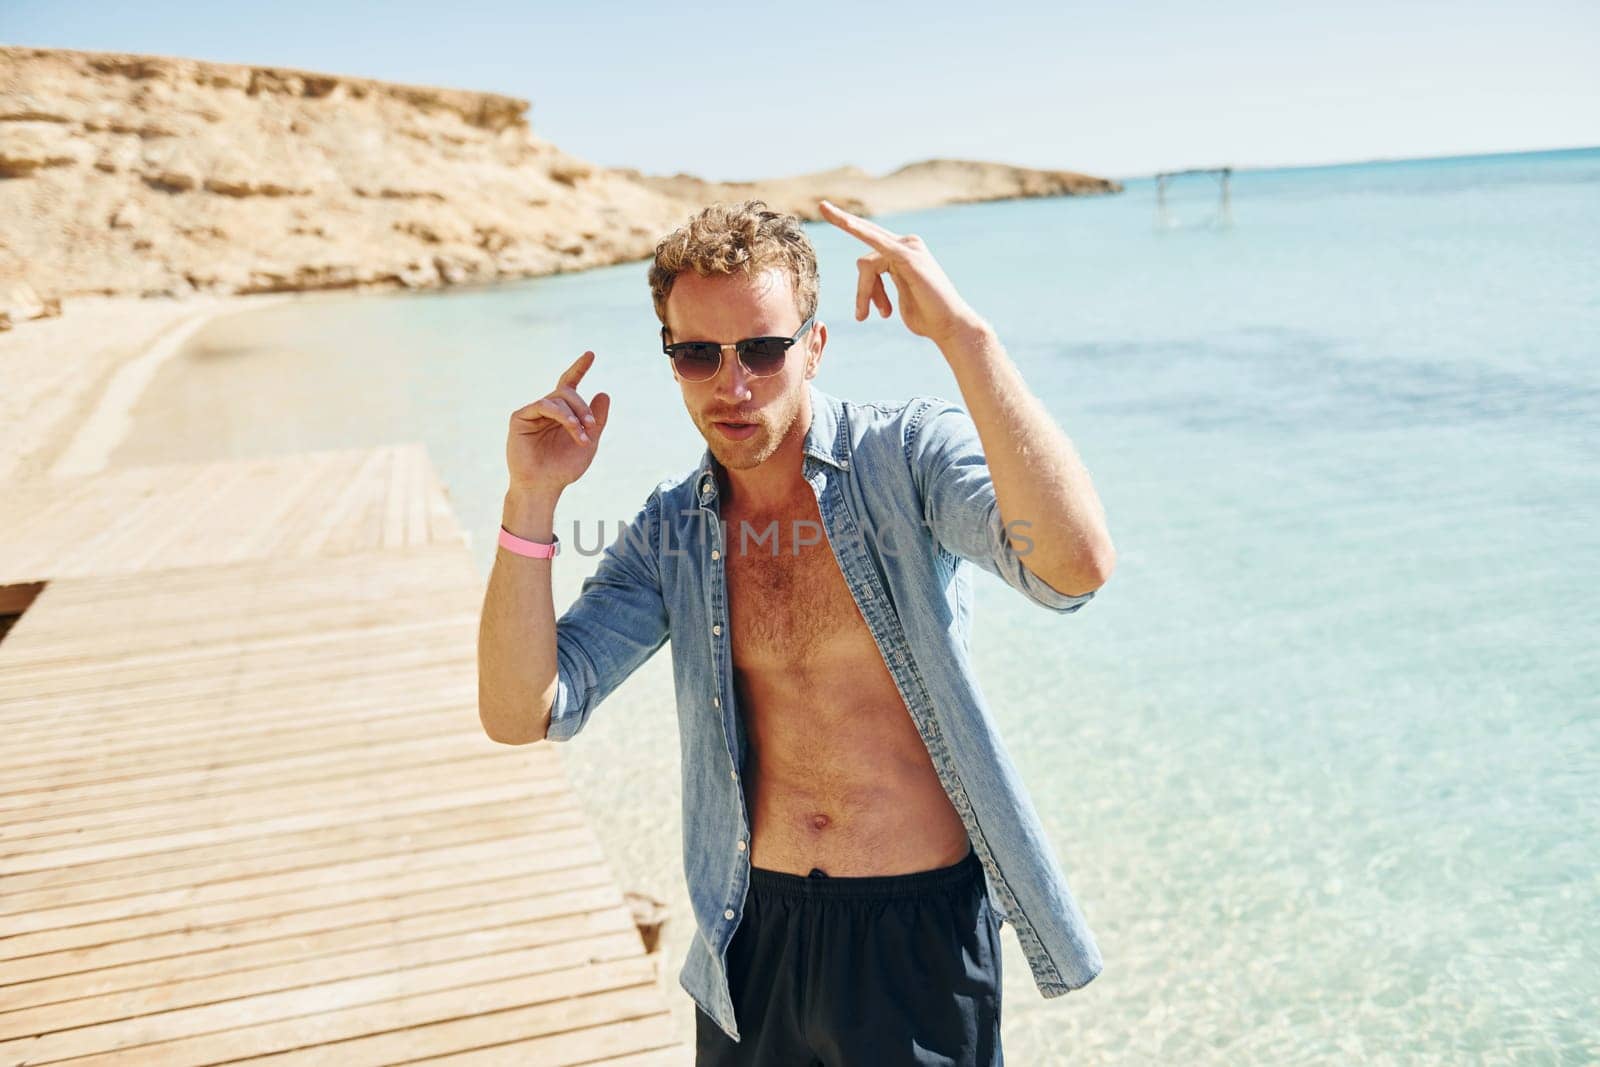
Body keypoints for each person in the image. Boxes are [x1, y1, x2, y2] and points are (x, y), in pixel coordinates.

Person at [477, 198, 1115, 1066]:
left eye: (764, 350)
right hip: (751, 935)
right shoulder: (670, 532)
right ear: (672, 361)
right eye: (699, 353)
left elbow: (1072, 564)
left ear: (814, 346)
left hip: (914, 936)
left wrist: (965, 336)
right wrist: (531, 499)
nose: (732, 385)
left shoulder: (907, 461)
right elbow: (524, 708)